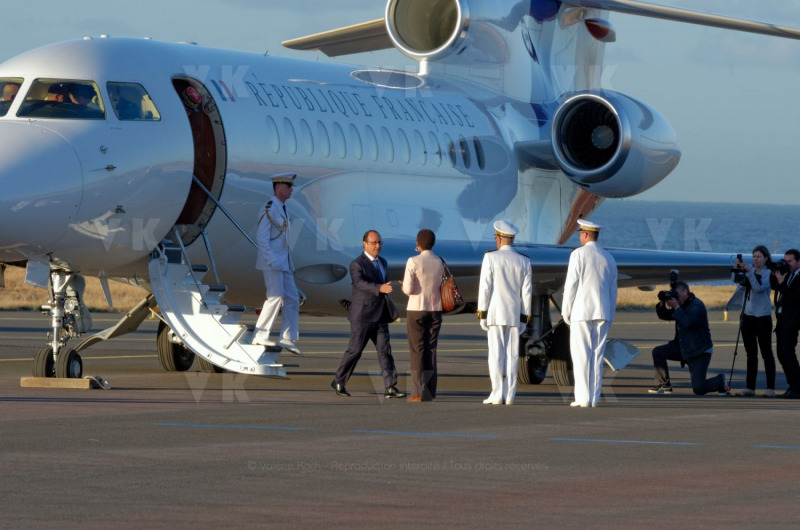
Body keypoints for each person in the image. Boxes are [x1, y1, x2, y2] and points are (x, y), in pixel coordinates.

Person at [332, 230, 406, 399]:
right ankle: (339, 380)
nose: (377, 246)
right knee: (355, 350)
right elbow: (359, 283)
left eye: (379, 243)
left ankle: (390, 386)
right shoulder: (357, 264)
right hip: (362, 315)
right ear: (364, 244)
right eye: (374, 243)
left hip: (380, 314)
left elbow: (383, 284)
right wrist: (378, 288)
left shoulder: (384, 262)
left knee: (385, 351)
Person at [561, 219, 618, 408]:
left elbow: (571, 285)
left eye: (580, 233)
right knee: (597, 356)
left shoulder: (578, 254)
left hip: (582, 311)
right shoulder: (608, 257)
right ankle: (593, 397)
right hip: (603, 312)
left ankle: (582, 397)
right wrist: (610, 314)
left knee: (581, 355)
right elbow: (613, 290)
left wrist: (566, 311)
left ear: (585, 234)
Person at [477, 220, 532, 405]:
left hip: (495, 313)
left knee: (496, 355)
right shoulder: (524, 260)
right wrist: (525, 317)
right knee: (512, 355)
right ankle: (509, 395)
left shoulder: (491, 258)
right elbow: (527, 292)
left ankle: (497, 393)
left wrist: (482, 313)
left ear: (499, 239)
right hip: (514, 314)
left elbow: (485, 288)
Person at [252, 173, 301, 355]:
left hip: (284, 262)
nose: (291, 189)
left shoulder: (282, 207)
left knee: (292, 299)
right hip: (272, 262)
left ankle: (287, 337)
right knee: (275, 297)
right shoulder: (269, 208)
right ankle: (260, 334)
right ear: (279, 187)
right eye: (288, 186)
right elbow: (262, 239)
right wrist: (272, 260)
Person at [649, 281, 727, 395]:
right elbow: (664, 315)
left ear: (685, 292)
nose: (675, 296)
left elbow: (688, 322)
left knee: (698, 389)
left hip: (699, 351)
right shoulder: (681, 305)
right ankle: (664, 386)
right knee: (658, 352)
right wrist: (663, 302)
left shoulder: (697, 305)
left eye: (677, 293)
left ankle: (720, 381)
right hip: (683, 347)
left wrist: (676, 307)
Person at [401, 229, 444, 402]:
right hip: (436, 308)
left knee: (416, 350)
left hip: (417, 308)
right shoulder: (440, 261)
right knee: (431, 350)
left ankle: (417, 392)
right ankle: (430, 391)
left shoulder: (413, 261)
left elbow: (408, 289)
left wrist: (404, 286)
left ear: (418, 243)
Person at [732, 246, 776, 397]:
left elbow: (758, 288)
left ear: (766, 258)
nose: (755, 259)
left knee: (766, 352)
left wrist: (749, 273)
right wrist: (737, 269)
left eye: (758, 256)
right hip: (747, 315)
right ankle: (750, 387)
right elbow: (736, 282)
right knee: (750, 353)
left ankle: (770, 388)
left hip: (762, 316)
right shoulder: (749, 269)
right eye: (754, 256)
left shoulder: (768, 273)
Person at [770, 249, 800, 399]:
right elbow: (774, 287)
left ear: (798, 262)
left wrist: (782, 283)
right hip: (783, 321)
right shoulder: (788, 275)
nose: (787, 264)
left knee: (788, 353)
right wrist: (774, 272)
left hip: (792, 321)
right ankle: (793, 386)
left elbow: (795, 298)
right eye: (785, 261)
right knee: (782, 354)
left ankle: (797, 387)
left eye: (790, 261)